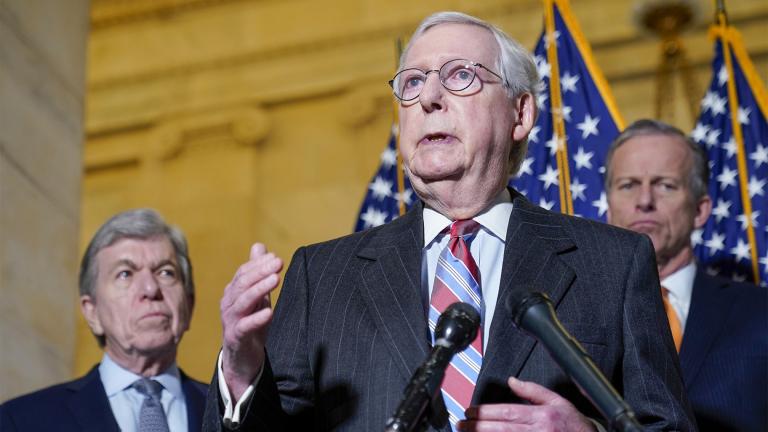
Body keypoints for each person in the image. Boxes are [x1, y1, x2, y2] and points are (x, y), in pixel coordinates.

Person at [203, 12, 695, 431]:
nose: (428, 98)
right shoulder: (322, 276)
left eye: (460, 75)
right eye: (412, 82)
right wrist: (244, 372)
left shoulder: (614, 264)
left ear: (520, 113)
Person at [605, 119, 767, 432]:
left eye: (665, 185)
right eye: (628, 185)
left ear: (700, 210)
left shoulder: (761, 313)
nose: (645, 201)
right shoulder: (567, 316)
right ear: (608, 209)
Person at [0, 209, 208, 432]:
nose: (150, 288)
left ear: (189, 305)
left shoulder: (236, 415)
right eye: (125, 274)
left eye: (166, 272)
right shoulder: (22, 421)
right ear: (92, 312)